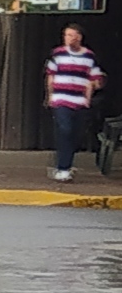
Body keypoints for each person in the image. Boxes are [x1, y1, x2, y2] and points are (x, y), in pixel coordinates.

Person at [45, 23, 103, 182]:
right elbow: (50, 76)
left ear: (79, 37)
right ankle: (63, 168)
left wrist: (88, 97)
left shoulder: (89, 56)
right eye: (67, 35)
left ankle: (66, 163)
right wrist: (50, 96)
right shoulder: (57, 54)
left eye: (72, 35)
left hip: (79, 100)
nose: (69, 38)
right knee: (65, 130)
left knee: (76, 135)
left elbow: (94, 78)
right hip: (60, 99)